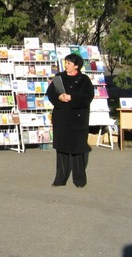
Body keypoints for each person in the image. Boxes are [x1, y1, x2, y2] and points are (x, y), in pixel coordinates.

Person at [46, 53, 94, 188]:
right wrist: (59, 98)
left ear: (76, 66)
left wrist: (72, 98)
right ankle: (60, 179)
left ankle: (79, 180)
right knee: (61, 150)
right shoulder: (59, 77)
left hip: (78, 119)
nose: (66, 65)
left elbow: (88, 97)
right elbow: (51, 94)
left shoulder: (84, 80)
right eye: (65, 63)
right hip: (62, 118)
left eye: (69, 63)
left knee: (78, 149)